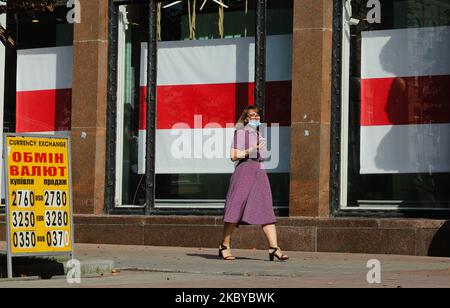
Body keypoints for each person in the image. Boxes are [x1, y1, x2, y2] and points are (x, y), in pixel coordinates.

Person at [219, 106, 289, 261]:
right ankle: (224, 245)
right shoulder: (241, 132)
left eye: (258, 116)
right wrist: (251, 149)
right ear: (246, 118)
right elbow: (233, 156)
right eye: (252, 116)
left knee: (265, 209)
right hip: (244, 172)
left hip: (259, 172)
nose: (256, 118)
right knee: (235, 209)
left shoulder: (258, 133)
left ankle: (274, 248)